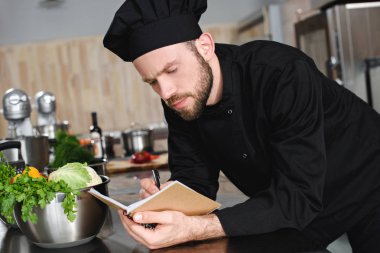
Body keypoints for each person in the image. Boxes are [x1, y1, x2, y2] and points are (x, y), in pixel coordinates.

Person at [103, 0, 380, 251]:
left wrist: (198, 226)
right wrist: (167, 201)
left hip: (369, 181)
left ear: (205, 46)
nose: (165, 91)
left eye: (171, 70)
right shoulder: (179, 99)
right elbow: (194, 178)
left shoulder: (281, 74)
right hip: (293, 208)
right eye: (152, 81)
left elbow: (297, 195)